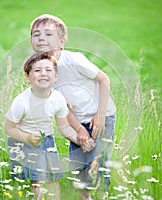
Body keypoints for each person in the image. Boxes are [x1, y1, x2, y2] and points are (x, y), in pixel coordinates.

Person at [29, 14, 116, 200]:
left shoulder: (73, 60)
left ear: (61, 42)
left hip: (101, 114)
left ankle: (102, 195)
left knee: (97, 163)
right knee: (79, 163)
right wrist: (78, 130)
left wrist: (100, 116)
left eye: (48, 34)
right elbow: (62, 106)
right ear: (32, 42)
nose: (41, 38)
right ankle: (85, 197)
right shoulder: (43, 71)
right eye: (36, 34)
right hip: (78, 118)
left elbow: (104, 80)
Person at [4, 51, 95, 200]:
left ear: (56, 76)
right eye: (37, 70)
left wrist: (81, 140)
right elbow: (9, 127)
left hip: (47, 141)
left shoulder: (58, 98)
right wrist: (26, 137)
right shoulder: (21, 102)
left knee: (54, 176)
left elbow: (64, 127)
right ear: (27, 77)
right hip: (24, 142)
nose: (43, 74)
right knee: (37, 178)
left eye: (48, 70)